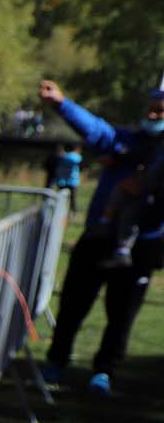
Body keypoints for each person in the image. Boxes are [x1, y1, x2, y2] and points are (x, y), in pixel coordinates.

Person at [38, 77, 164, 397]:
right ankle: (56, 361)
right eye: (151, 109)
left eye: (160, 111)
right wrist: (62, 104)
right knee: (73, 302)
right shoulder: (125, 140)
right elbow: (96, 130)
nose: (153, 115)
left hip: (142, 245)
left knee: (121, 313)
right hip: (98, 236)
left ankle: (104, 371)